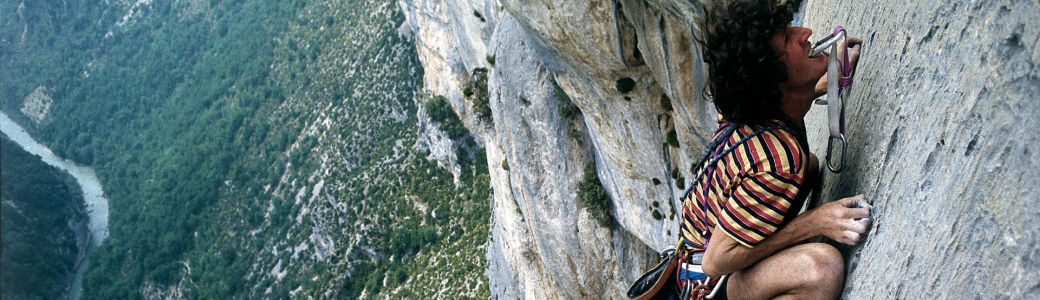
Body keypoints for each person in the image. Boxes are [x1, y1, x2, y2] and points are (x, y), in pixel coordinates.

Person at [677, 0, 872, 299]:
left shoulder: (745, 110)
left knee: (809, 167)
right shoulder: (777, 158)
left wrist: (827, 77)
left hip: (694, 249)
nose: (805, 32)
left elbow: (789, 99)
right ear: (773, 78)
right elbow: (716, 261)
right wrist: (814, 222)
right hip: (709, 280)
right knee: (822, 269)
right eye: (787, 38)